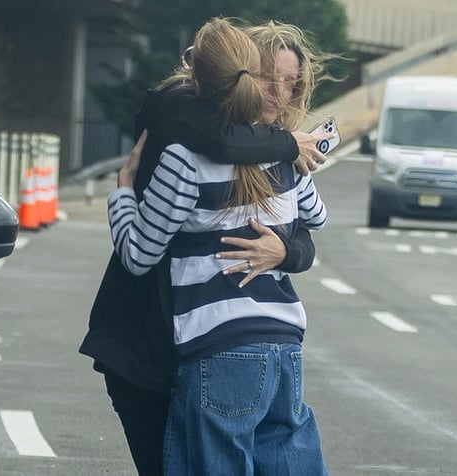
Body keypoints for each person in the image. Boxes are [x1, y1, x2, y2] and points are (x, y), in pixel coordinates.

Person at [79, 20, 333, 476]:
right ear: (248, 77)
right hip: (284, 344)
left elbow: (138, 254)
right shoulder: (285, 155)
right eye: (273, 81)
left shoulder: (186, 155)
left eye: (291, 85)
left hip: (215, 345)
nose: (282, 95)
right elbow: (316, 218)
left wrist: (121, 193)